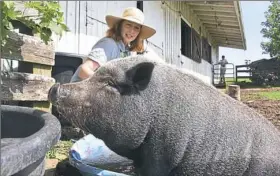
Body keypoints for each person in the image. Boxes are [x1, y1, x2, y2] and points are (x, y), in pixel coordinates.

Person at [71, 7, 156, 82]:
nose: (132, 31)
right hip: (80, 93)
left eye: (136, 28)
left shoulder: (128, 51)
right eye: (128, 25)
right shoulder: (109, 44)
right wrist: (109, 85)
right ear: (119, 26)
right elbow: (84, 71)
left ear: (139, 33)